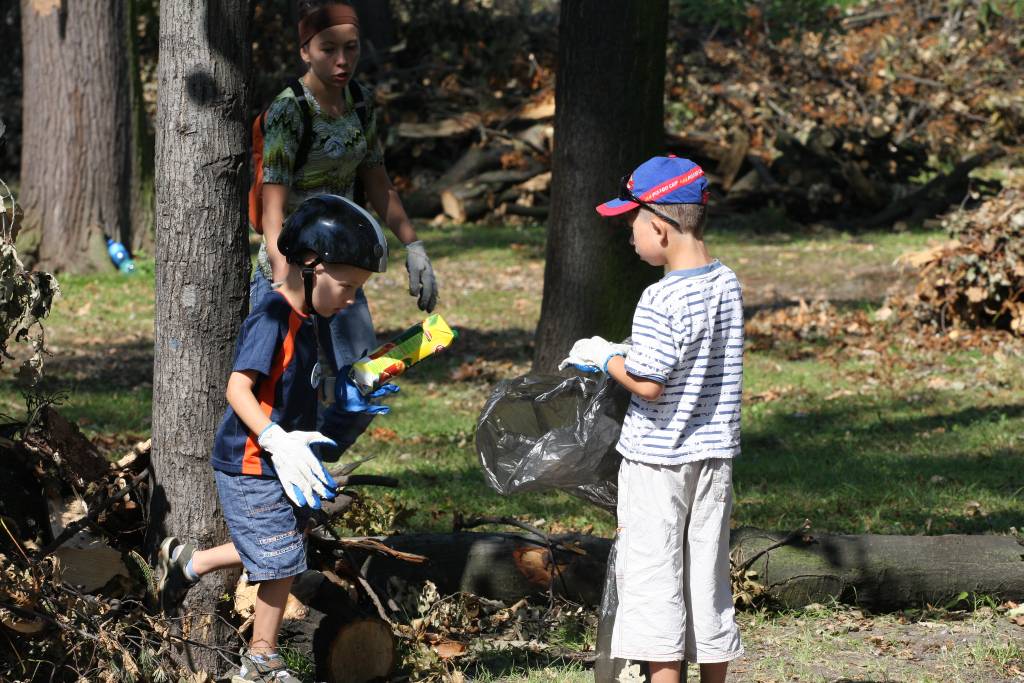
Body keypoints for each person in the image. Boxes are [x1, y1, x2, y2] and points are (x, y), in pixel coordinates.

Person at [156, 195, 396, 683]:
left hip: (279, 459)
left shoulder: (311, 322)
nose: (352, 300)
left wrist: (348, 401)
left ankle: (189, 563)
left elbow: (299, 395)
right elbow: (237, 388)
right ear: (310, 266)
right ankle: (261, 660)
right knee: (282, 555)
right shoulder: (272, 318)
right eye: (347, 286)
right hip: (251, 460)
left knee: (286, 539)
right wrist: (274, 439)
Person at [560, 156, 744, 683]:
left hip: (656, 463)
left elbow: (649, 382)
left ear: (660, 228)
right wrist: (631, 352)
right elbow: (688, 358)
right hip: (713, 457)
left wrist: (604, 356)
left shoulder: (660, 296)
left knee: (655, 579)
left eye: (632, 225)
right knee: (706, 577)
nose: (630, 236)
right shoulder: (726, 282)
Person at [256, 0, 437, 372]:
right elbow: (272, 207)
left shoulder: (361, 103)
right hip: (297, 268)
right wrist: (283, 279)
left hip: (345, 267)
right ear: (305, 52)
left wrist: (413, 246)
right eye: (328, 49)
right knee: (289, 385)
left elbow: (378, 182)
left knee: (362, 380)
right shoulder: (290, 111)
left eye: (351, 48)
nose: (342, 61)